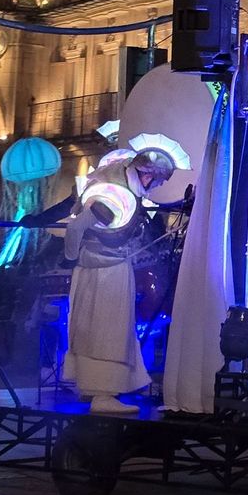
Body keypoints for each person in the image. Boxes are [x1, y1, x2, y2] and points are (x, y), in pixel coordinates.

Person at [63, 141, 184, 412]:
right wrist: (69, 257)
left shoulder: (117, 179)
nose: (156, 188)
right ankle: (103, 394)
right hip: (105, 271)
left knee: (97, 330)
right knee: (108, 332)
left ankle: (93, 388)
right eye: (157, 181)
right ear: (148, 174)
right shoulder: (114, 194)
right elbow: (77, 226)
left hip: (102, 267)